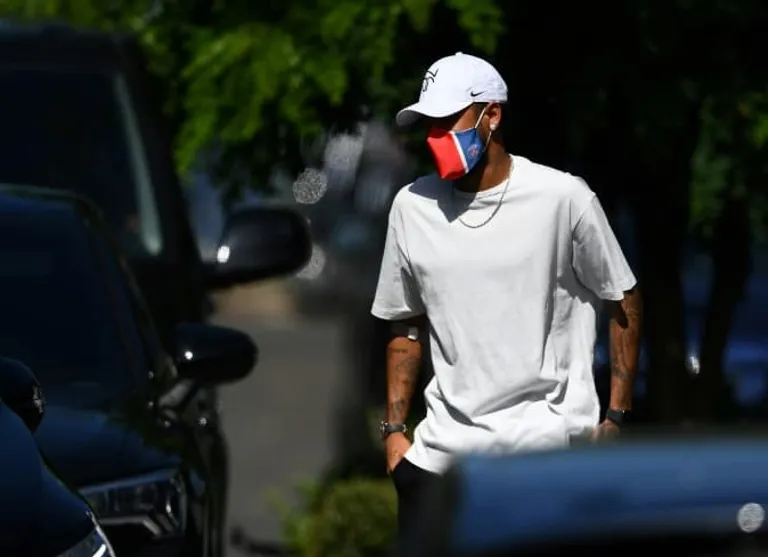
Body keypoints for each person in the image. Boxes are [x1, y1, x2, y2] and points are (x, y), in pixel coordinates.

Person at [370, 52, 642, 540]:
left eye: (446, 122)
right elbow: (403, 322)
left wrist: (616, 418)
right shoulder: (412, 206)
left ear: (491, 114)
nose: (435, 137)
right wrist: (394, 433)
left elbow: (623, 298)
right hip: (439, 466)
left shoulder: (563, 198)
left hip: (544, 462)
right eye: (428, 125)